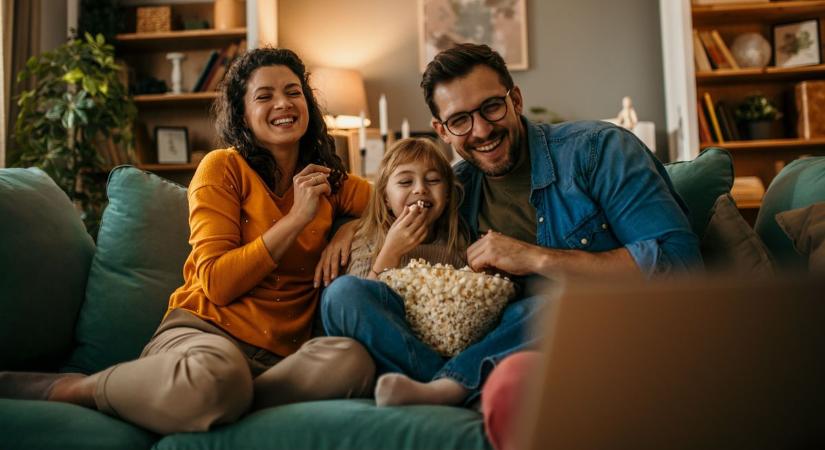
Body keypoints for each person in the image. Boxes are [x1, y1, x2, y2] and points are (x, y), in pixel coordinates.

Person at [0, 48, 375, 434]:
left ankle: (227, 400)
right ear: (243, 113)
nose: (283, 103)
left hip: (281, 359)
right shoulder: (223, 167)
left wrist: (351, 228)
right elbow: (217, 282)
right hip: (204, 338)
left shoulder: (327, 180)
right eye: (264, 96)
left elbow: (394, 201)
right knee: (217, 378)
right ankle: (81, 388)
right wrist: (297, 218)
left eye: (293, 92)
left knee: (353, 361)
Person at [321, 43, 702, 408]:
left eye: (491, 108)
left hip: (598, 330)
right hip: (500, 345)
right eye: (460, 120)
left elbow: (681, 265)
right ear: (442, 130)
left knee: (545, 303)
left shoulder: (598, 151)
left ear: (515, 100)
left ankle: (451, 385)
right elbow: (390, 203)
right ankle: (449, 385)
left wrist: (536, 259)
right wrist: (345, 226)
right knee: (341, 296)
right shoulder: (457, 188)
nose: (482, 130)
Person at [323, 138, 481, 406]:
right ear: (385, 196)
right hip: (385, 350)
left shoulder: (458, 243)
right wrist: (390, 252)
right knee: (341, 292)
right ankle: (443, 384)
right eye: (406, 182)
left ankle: (438, 384)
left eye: (433, 181)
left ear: (448, 193)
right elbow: (356, 311)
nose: (420, 189)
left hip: (441, 348)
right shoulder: (368, 239)